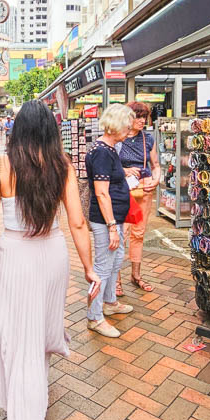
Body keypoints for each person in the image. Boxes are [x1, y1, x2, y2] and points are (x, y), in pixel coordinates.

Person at [0, 100, 101, 420]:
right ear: (51, 131)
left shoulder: (1, 164)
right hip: (52, 254)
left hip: (15, 256)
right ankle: (33, 395)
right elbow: (78, 223)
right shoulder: (62, 166)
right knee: (37, 335)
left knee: (20, 340)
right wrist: (89, 268)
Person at [85, 104, 136, 338]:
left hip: (115, 217)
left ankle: (109, 302)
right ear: (116, 125)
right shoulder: (103, 151)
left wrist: (124, 172)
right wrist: (112, 227)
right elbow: (101, 192)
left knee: (114, 262)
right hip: (106, 220)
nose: (130, 129)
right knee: (103, 268)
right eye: (127, 125)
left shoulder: (109, 148)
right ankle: (95, 317)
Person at [118, 101, 161, 293]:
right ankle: (115, 279)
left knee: (139, 232)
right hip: (123, 188)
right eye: (138, 116)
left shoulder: (148, 139)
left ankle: (136, 275)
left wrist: (156, 179)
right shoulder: (118, 137)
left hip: (143, 188)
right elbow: (107, 164)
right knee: (121, 234)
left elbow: (156, 164)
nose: (142, 120)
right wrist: (125, 170)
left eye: (144, 116)